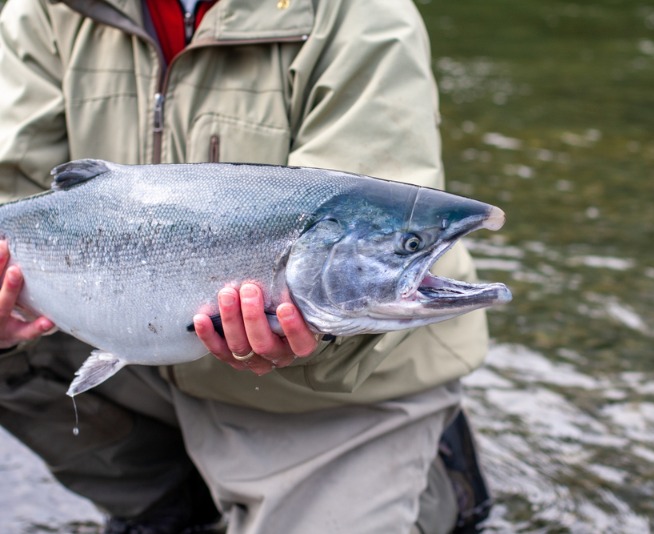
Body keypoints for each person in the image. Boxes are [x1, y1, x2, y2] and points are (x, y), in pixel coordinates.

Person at [0, 0, 492, 532]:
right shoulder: (46, 11)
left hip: (322, 397)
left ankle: (436, 482)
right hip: (139, 355)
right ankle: (168, 503)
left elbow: (371, 216)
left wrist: (314, 329)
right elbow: (14, 191)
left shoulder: (362, 13)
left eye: (413, 244)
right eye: (413, 244)